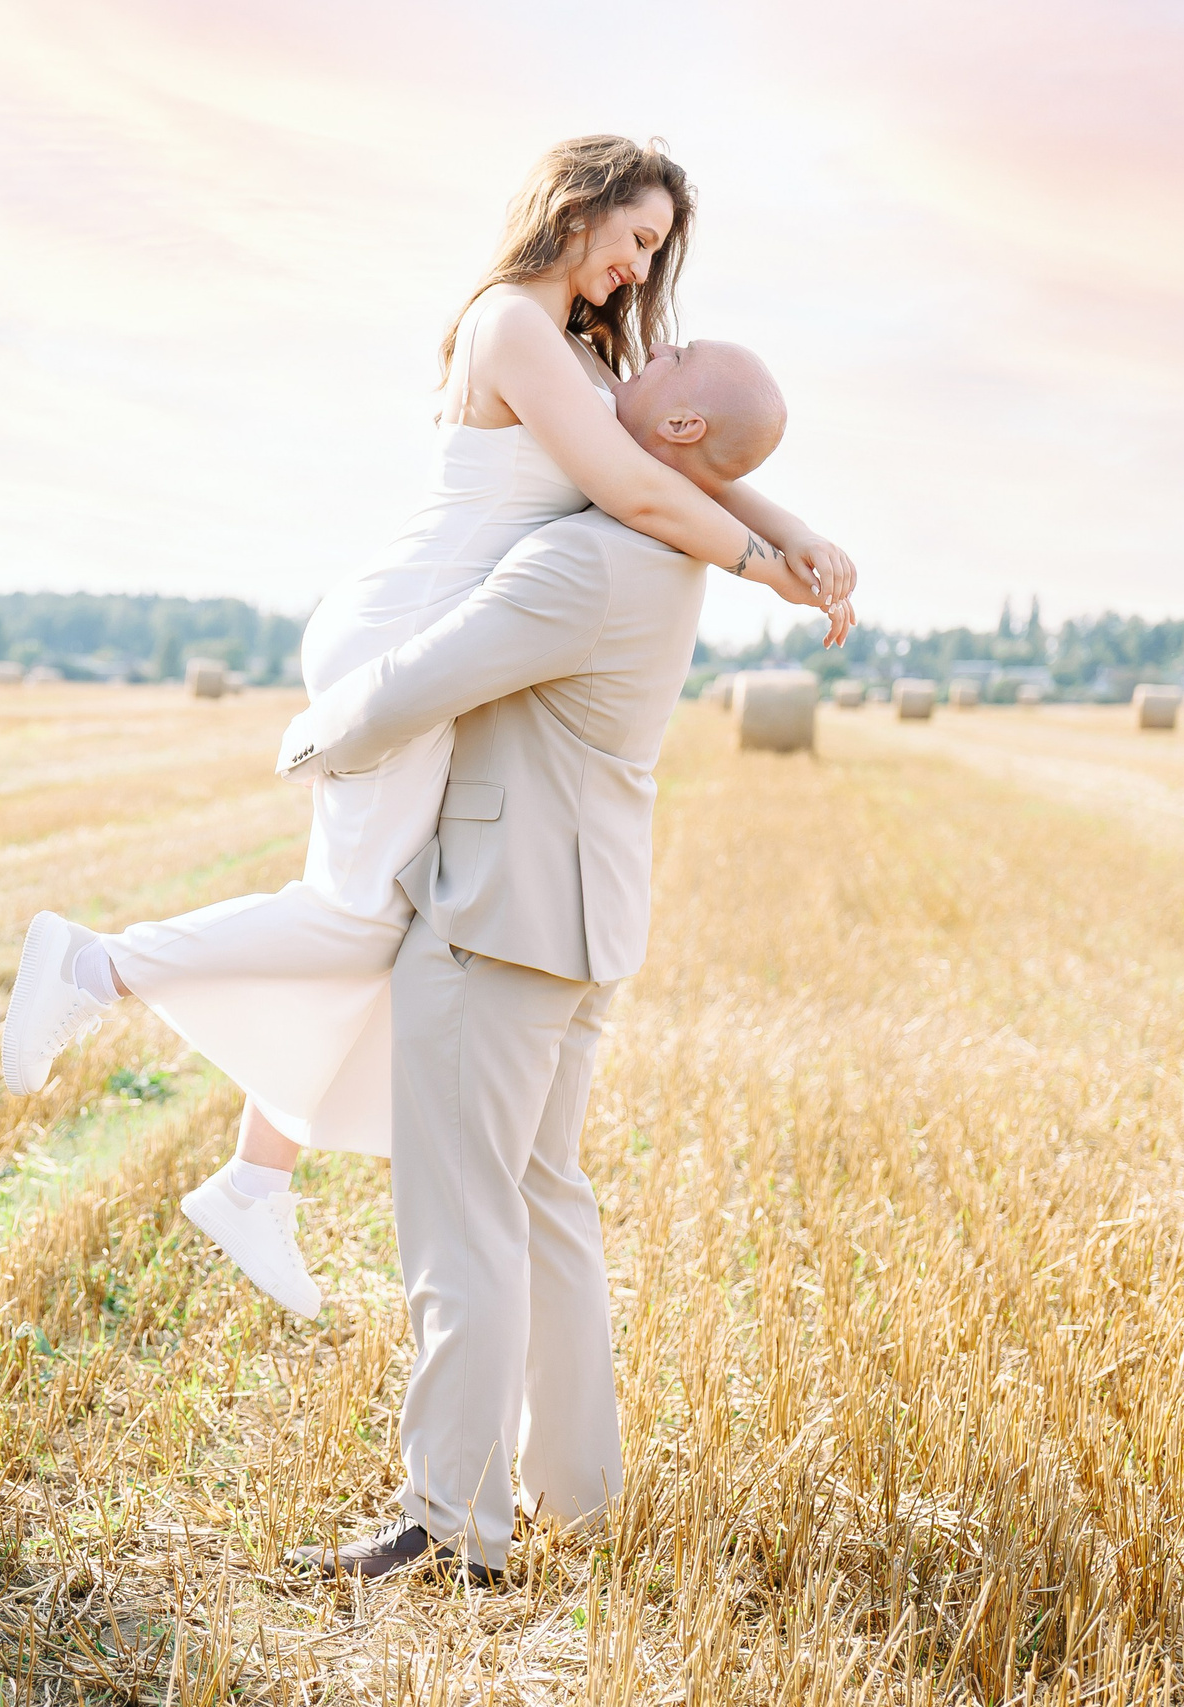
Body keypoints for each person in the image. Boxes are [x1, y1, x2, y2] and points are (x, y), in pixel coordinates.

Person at [0, 137, 854, 1318]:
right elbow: (642, 486)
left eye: (658, 252)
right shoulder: (511, 322)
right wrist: (765, 566)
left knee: (383, 930)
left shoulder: (582, 355)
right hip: (405, 639)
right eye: (640, 239)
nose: (643, 273)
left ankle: (253, 1181)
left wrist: (799, 533)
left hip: (449, 649)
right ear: (580, 206)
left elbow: (683, 446)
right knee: (354, 922)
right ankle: (93, 967)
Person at [273, 347, 803, 1582]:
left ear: (673, 418)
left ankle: (449, 1523)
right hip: (586, 919)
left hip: (500, 923)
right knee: (544, 1199)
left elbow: (420, 679)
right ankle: (576, 1488)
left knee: (459, 1224)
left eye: (665, 358)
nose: (636, 351)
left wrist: (310, 739)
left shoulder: (582, 560)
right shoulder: (671, 551)